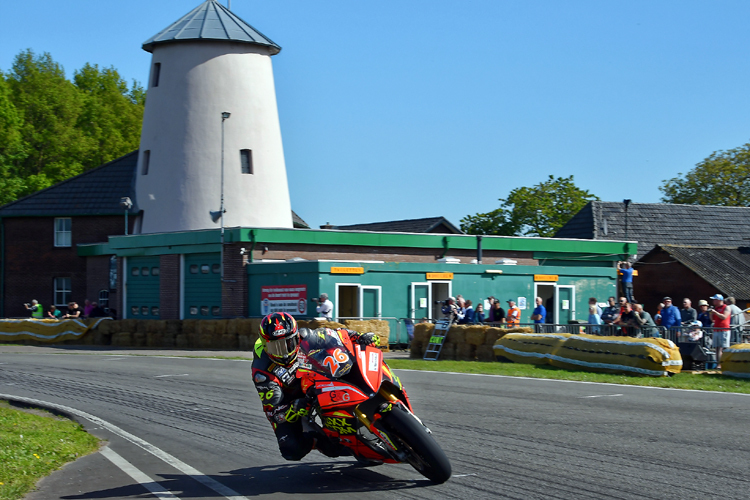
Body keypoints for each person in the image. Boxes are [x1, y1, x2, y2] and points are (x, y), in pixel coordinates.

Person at [251, 312, 378, 461]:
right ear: (266, 346)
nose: (283, 352)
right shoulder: (262, 373)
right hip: (291, 398)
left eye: (288, 343)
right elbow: (275, 413)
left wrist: (359, 336)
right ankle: (317, 437)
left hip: (314, 379)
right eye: (275, 347)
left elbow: (337, 334)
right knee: (292, 449)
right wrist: (293, 408)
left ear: (296, 337)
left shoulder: (306, 336)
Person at [709, 294, 731, 368]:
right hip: (716, 329)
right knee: (717, 348)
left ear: (719, 300)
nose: (713, 301)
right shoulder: (716, 308)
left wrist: (715, 312)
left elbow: (724, 317)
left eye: (715, 299)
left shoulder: (726, 307)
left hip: (724, 330)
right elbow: (713, 320)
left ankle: (725, 363)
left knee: (724, 347)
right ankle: (718, 364)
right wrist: (711, 314)